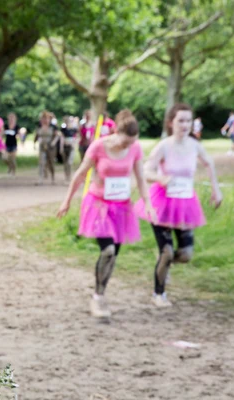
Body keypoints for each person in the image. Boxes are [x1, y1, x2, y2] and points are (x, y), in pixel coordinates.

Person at [57, 109, 155, 318]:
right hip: (98, 205)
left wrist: (148, 203)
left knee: (113, 256)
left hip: (121, 208)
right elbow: (80, 174)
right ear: (116, 132)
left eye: (132, 142)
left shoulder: (135, 149)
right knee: (108, 250)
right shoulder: (98, 147)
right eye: (125, 141)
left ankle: (100, 293)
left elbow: (140, 178)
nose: (128, 146)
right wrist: (66, 201)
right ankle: (98, 298)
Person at [135, 103, 222, 308]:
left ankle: (165, 264)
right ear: (171, 123)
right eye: (180, 120)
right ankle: (159, 294)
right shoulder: (164, 146)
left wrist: (215, 189)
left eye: (188, 121)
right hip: (161, 203)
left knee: (185, 254)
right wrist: (160, 178)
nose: (185, 125)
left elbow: (209, 163)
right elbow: (145, 173)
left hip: (185, 204)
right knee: (166, 251)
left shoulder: (194, 145)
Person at [35, 111, 61, 185]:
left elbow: (57, 135)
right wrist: (35, 142)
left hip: (51, 146)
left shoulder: (53, 126)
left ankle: (53, 177)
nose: (44, 120)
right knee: (41, 162)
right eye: (43, 118)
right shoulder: (39, 126)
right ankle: (40, 178)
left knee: (51, 162)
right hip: (42, 145)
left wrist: (53, 142)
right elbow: (37, 135)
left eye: (46, 118)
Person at [61, 116, 78, 181]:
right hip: (65, 146)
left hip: (71, 146)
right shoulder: (64, 129)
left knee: (69, 162)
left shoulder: (73, 129)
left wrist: (74, 144)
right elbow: (62, 137)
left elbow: (76, 137)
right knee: (65, 162)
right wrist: (61, 147)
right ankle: (66, 175)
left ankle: (70, 175)